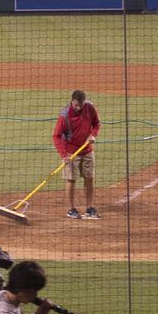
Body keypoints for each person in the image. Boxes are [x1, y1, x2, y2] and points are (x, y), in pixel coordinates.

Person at [54, 90, 101, 221]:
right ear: (71, 102)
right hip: (70, 153)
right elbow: (56, 136)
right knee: (71, 179)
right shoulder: (64, 115)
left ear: (84, 102)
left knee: (89, 178)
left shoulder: (90, 108)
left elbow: (96, 124)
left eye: (81, 105)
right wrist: (64, 155)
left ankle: (90, 207)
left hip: (87, 150)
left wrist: (93, 135)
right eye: (76, 105)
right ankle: (71, 209)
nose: (78, 108)